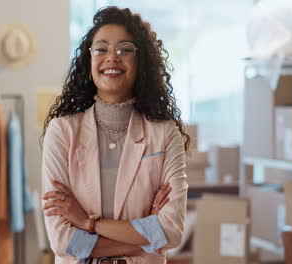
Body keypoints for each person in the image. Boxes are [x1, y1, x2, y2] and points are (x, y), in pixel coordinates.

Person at [41, 6, 190, 264]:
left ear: (139, 62)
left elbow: (171, 231)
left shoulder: (165, 134)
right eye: (101, 49)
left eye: (124, 49)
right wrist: (144, 242)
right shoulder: (62, 132)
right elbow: (63, 240)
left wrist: (88, 223)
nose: (112, 57)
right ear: (89, 64)